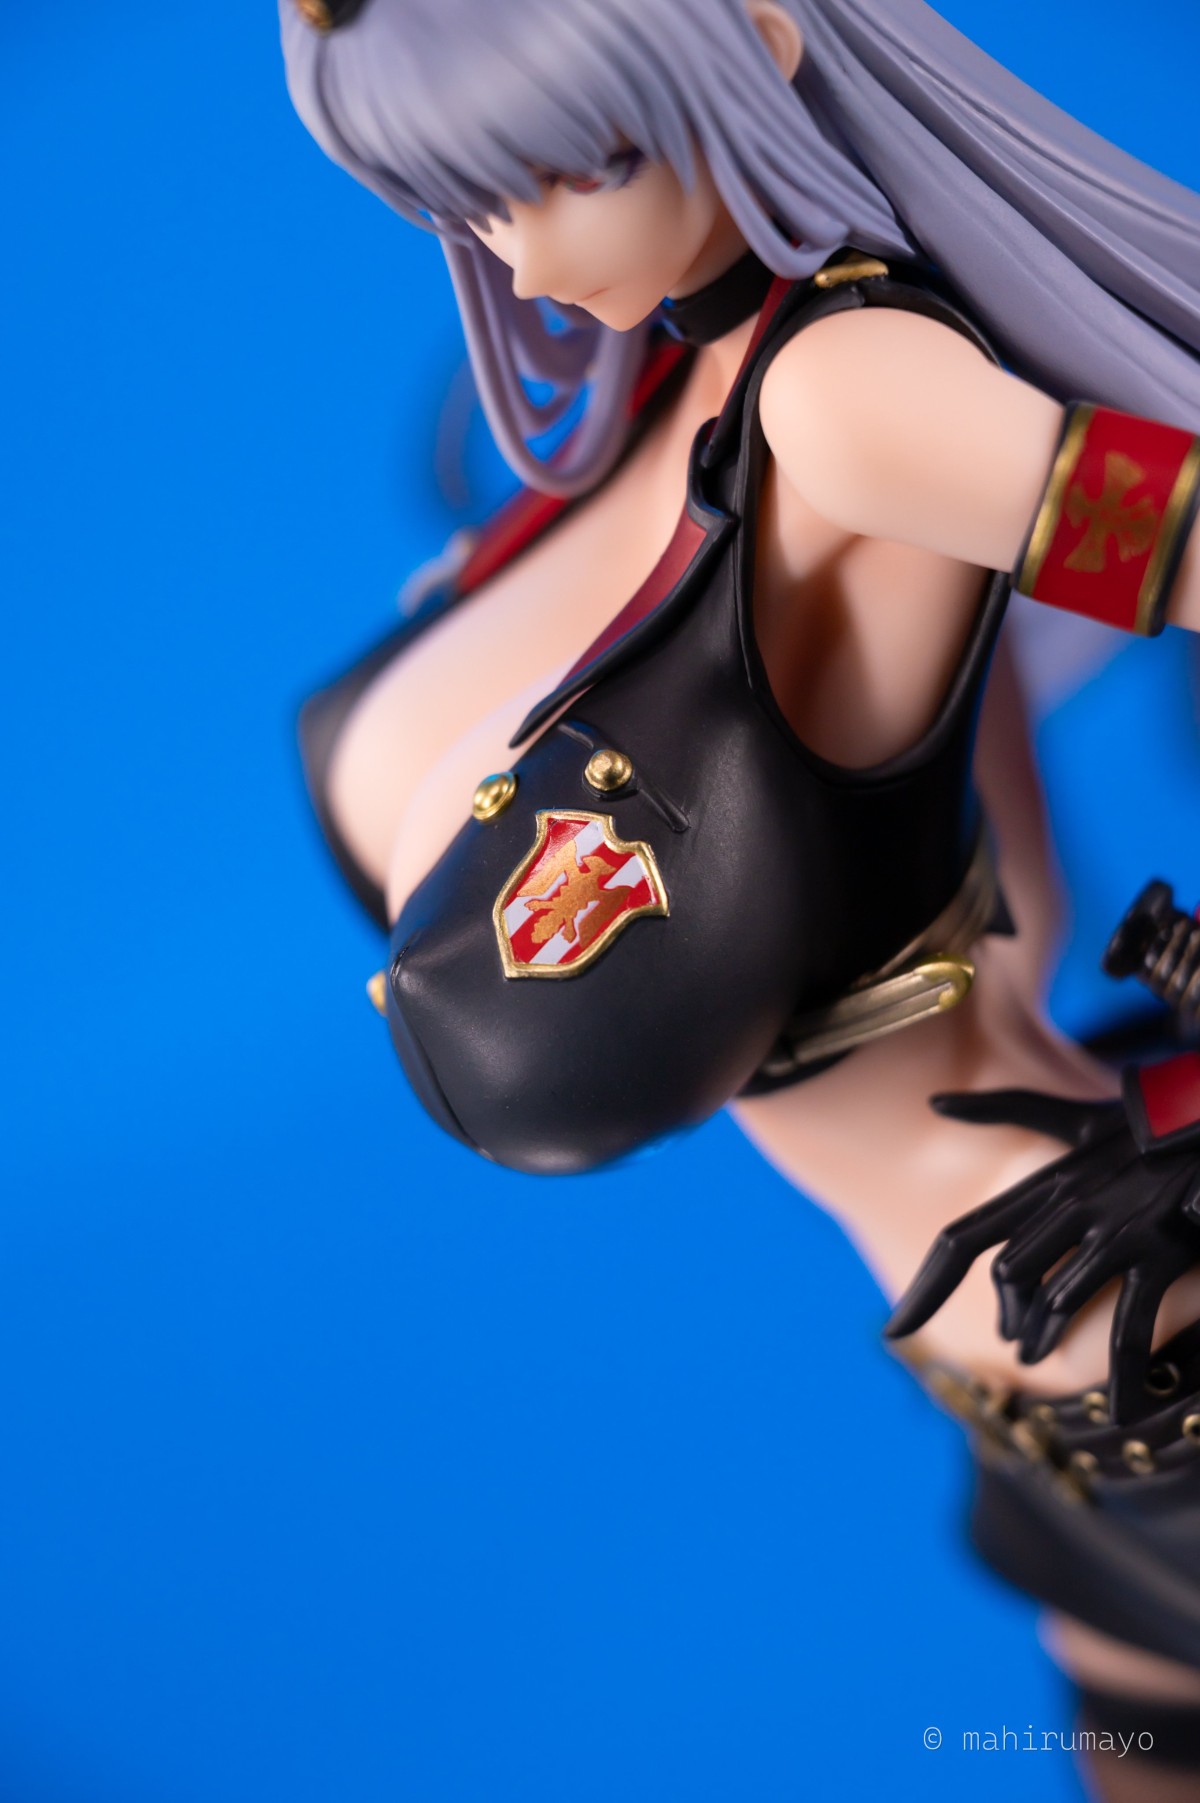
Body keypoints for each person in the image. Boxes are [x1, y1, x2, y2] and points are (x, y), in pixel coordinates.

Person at [279, 0, 1200, 1790]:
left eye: (579, 170)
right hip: (1020, 1383)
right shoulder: (661, 378)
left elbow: (1170, 537)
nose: (528, 256)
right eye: (471, 198)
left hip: (1118, 1330)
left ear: (761, 42)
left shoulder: (854, 401)